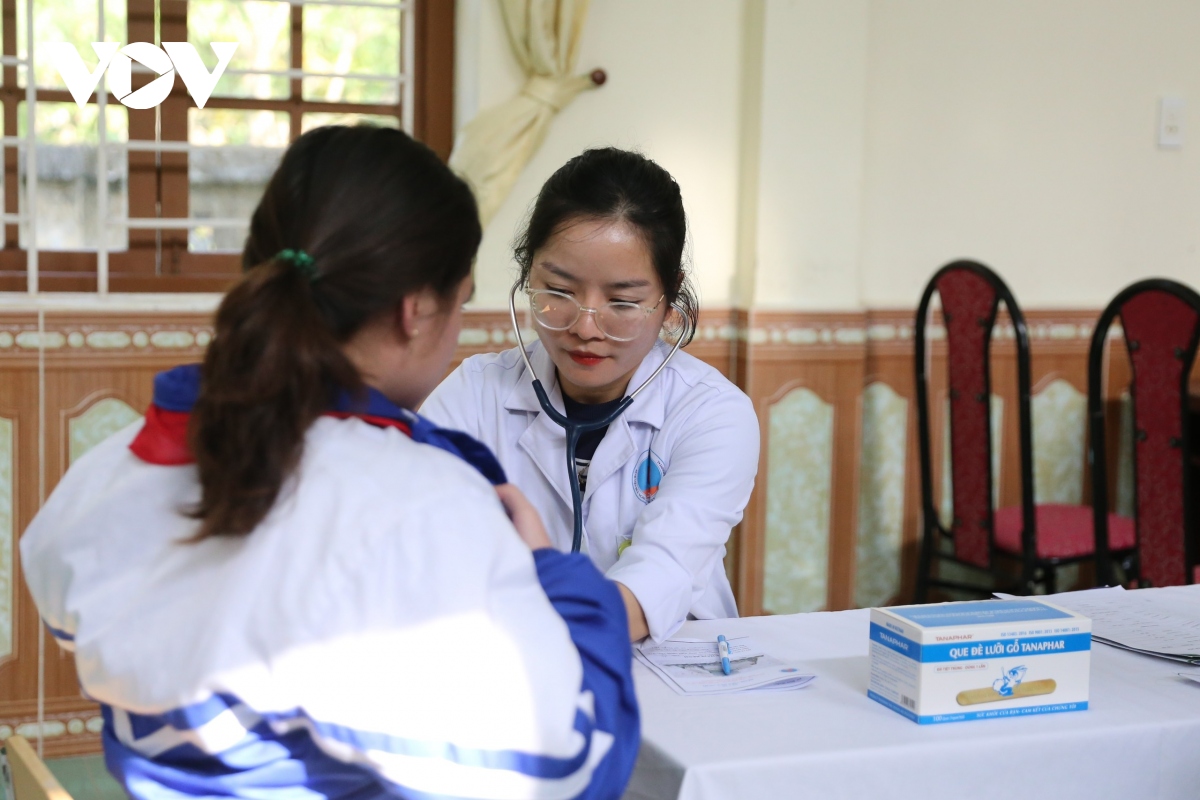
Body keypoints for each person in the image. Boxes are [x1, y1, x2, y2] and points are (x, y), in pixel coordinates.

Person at [20, 126, 639, 799]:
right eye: (460, 303)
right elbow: (571, 766)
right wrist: (557, 577)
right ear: (416, 310)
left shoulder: (109, 472)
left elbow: (87, 627)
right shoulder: (425, 503)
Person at [422, 148, 760, 644]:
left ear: (670, 300)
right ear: (527, 275)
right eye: (558, 291)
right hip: (508, 668)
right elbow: (414, 542)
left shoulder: (713, 415)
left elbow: (648, 594)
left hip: (670, 673)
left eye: (623, 302)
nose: (584, 327)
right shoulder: (476, 394)